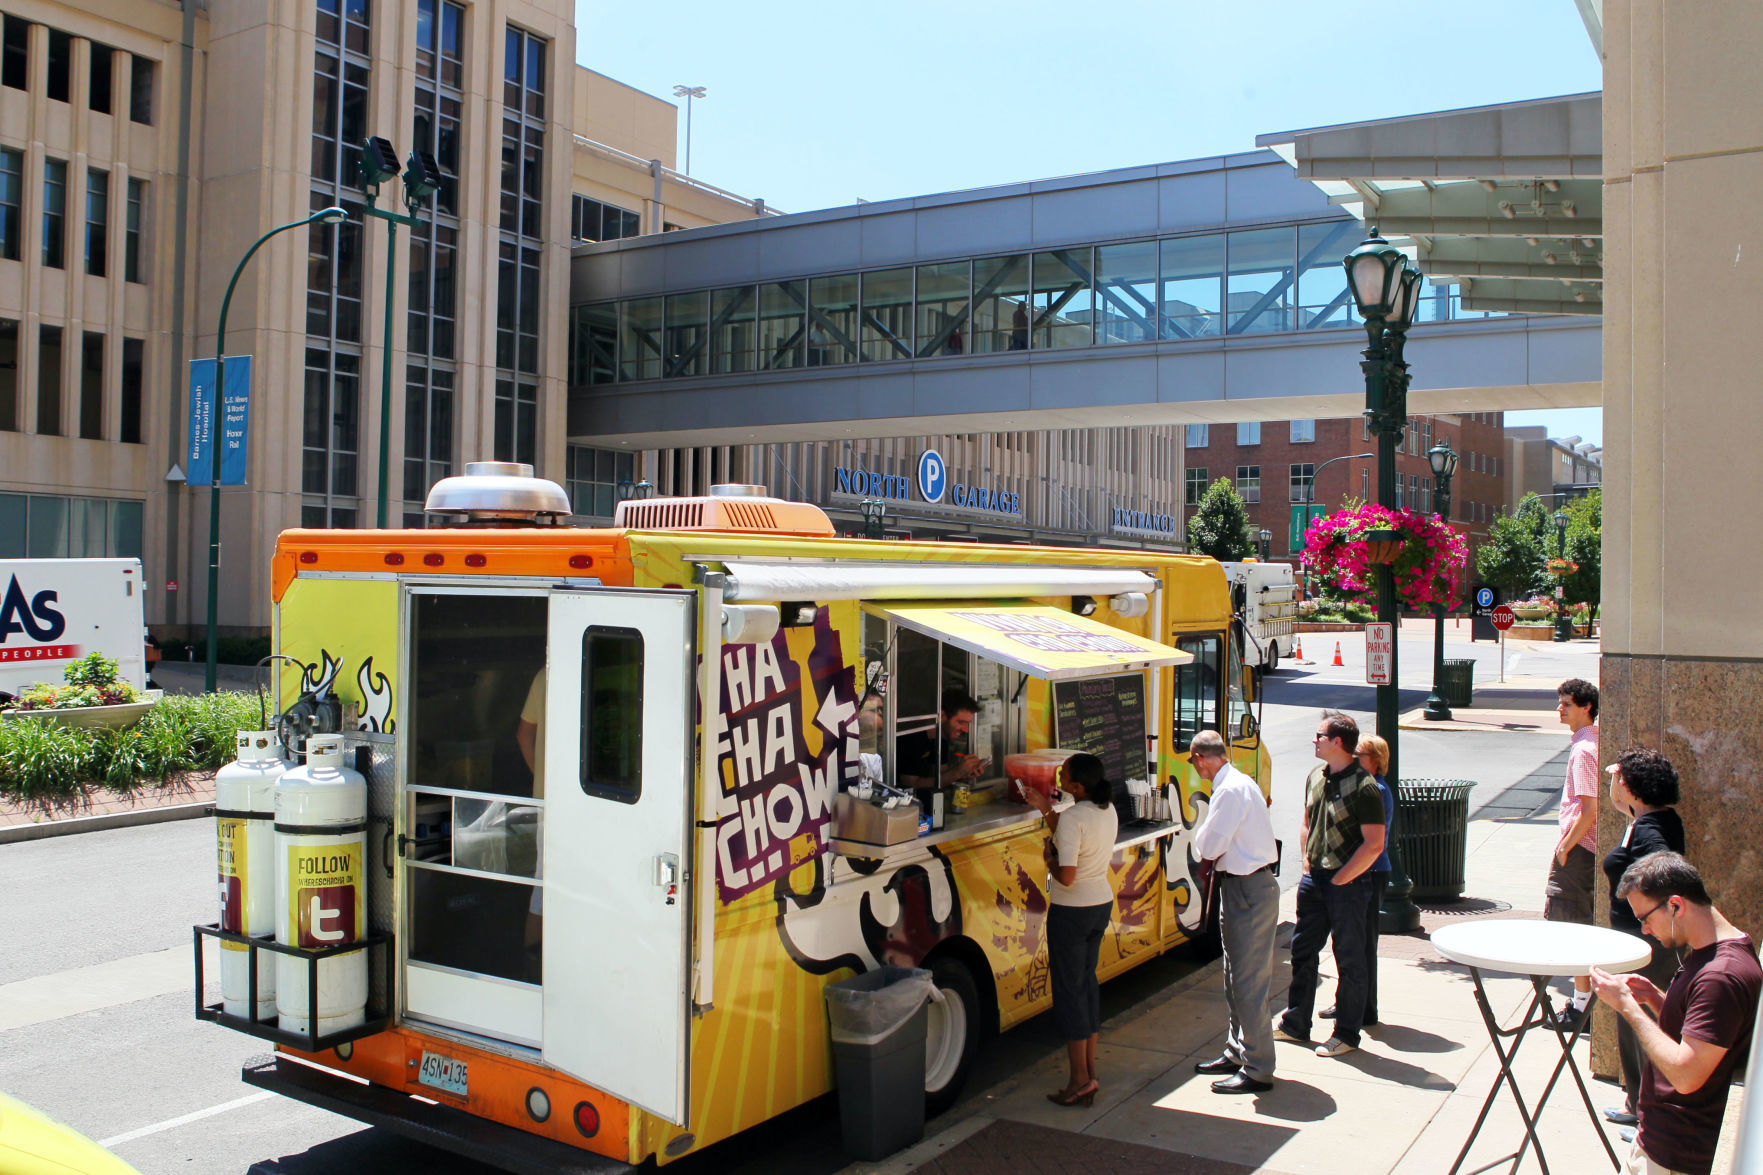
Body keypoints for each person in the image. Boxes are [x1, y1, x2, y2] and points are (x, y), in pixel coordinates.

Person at [1590, 853, 1761, 1175]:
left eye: (1646, 918)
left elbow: (1686, 1074)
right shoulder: (1718, 951)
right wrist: (1656, 1000)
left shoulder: (1720, 975)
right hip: (1665, 1139)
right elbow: (1704, 1032)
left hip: (1675, 1150)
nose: (1645, 929)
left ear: (1676, 905)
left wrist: (1627, 1006)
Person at [1275, 710, 1386, 1058]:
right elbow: (1307, 820)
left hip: (1349, 885)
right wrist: (1307, 861)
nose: (1314, 740)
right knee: (1302, 952)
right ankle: (1296, 1024)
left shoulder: (1366, 788)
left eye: (1319, 736)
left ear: (1338, 742)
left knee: (1350, 959)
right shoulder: (1315, 777)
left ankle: (1347, 1034)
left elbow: (1374, 844)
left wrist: (1341, 878)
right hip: (1315, 880)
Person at [1023, 752, 1117, 1107]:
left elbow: (1066, 875)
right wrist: (1045, 811)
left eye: (1063, 775)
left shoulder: (1073, 817)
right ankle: (1089, 1073)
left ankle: (1078, 1078)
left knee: (1069, 993)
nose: (1058, 776)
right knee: (1086, 986)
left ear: (1077, 786)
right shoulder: (1105, 810)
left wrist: (1048, 857)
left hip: (1072, 911)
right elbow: (1071, 836)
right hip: (1099, 905)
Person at [1188, 730, 1280, 1094]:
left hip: (1249, 888)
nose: (1195, 768)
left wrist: (1203, 839)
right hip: (1242, 886)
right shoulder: (1236, 783)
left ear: (1200, 757)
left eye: (1194, 762)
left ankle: (1258, 1066)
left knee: (1247, 981)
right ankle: (1238, 1051)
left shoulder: (1229, 790)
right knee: (1234, 975)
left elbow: (1208, 843)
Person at [1601, 747, 1686, 1128]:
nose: (1613, 784)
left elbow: (1664, 871)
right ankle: (1638, 1104)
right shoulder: (1651, 818)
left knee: (1640, 1023)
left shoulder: (1651, 829)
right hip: (1637, 936)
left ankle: (1647, 1113)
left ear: (1632, 786)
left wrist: (1649, 917)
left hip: (1642, 940)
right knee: (1633, 1020)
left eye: (1618, 778)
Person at [1322, 733, 1393, 1028]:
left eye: (1359, 754)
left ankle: (1364, 1009)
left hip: (1370, 872)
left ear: (1375, 762)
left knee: (1361, 945)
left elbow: (1369, 841)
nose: (1353, 758)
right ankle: (1348, 1001)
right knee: (1347, 943)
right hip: (1357, 872)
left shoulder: (1375, 789)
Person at [1550, 677, 1601, 1027]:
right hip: (1582, 850)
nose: (1560, 708)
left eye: (1567, 703)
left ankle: (1580, 1008)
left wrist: (1565, 847)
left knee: (1570, 927)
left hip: (1579, 850)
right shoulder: (1589, 743)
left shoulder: (1584, 750)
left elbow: (1589, 809)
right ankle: (1582, 1001)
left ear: (1586, 707)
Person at [896, 688, 987, 799]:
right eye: (961, 722)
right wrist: (957, 772)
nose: (966, 730)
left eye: (968, 723)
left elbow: (942, 775)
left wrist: (964, 775)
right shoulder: (913, 736)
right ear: (943, 716)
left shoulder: (941, 738)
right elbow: (910, 785)